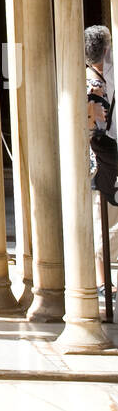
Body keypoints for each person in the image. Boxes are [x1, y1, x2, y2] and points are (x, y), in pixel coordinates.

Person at [85, 24, 118, 296]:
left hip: (101, 159)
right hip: (100, 162)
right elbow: (95, 127)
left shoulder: (95, 78)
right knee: (102, 219)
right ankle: (101, 282)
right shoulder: (94, 83)